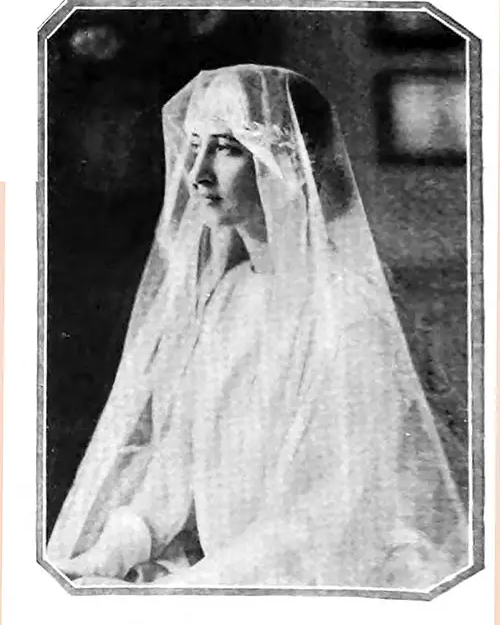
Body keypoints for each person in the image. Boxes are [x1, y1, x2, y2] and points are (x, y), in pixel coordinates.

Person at [47, 64, 468, 590]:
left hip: (334, 582)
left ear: (287, 162)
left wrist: (177, 593)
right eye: (194, 145)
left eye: (227, 148)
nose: (196, 172)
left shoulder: (349, 312)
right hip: (235, 576)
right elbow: (174, 470)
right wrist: (105, 557)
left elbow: (322, 521)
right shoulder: (230, 296)